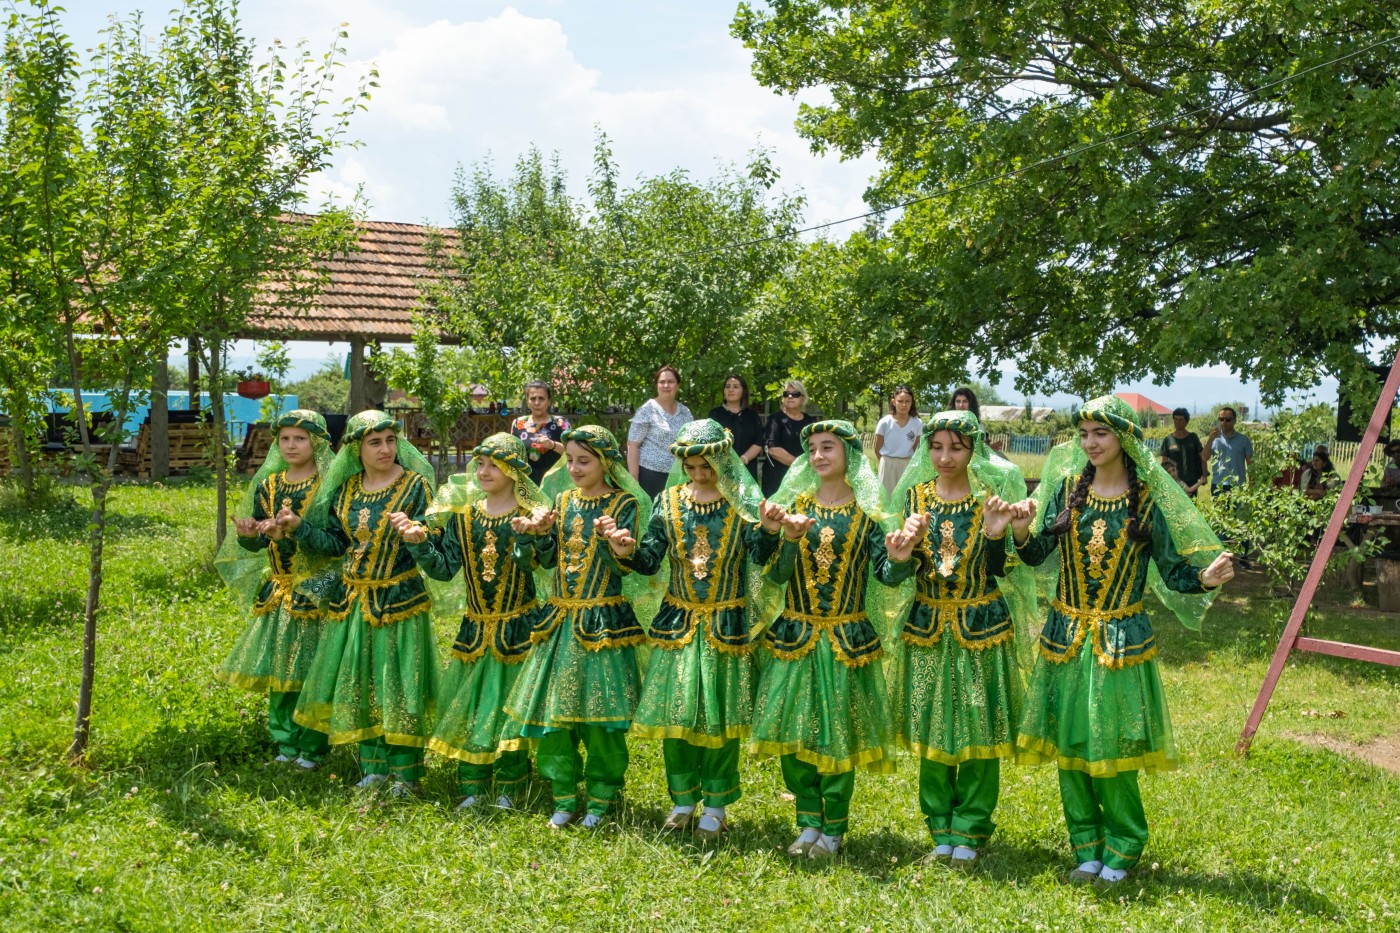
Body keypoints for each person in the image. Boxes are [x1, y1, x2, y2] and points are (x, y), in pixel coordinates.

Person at [1009, 396, 1235, 885]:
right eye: (1084, 434)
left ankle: (1123, 847)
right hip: (1064, 637)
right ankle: (1085, 847)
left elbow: (1174, 572)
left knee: (1112, 747)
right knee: (1070, 748)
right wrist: (1024, 533)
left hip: (1119, 641)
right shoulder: (1068, 489)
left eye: (1101, 434)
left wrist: (1206, 580)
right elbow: (1037, 554)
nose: (1090, 443)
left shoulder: (1149, 499)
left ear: (1125, 438)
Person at [748, 420, 924, 860]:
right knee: (792, 735)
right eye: (812, 448)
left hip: (846, 637)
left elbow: (886, 575)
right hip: (795, 633)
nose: (819, 455)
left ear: (849, 454)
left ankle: (835, 827)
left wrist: (901, 559)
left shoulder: (868, 512)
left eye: (828, 446)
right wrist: (783, 538)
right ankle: (808, 820)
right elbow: (773, 573)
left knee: (836, 737)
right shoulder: (793, 506)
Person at [599, 419, 781, 838]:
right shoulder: (668, 501)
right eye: (691, 467)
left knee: (717, 720)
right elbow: (649, 560)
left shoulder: (742, 501)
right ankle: (682, 799)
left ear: (722, 460)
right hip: (677, 623)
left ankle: (715, 805)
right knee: (676, 716)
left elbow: (760, 554)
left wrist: (770, 531)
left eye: (706, 467)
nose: (699, 475)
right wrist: (622, 549)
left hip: (726, 624)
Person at [889, 410, 1038, 866]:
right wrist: (900, 554)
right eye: (936, 447)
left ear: (975, 450)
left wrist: (995, 535)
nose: (945, 456)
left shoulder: (989, 499)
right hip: (928, 627)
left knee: (979, 728)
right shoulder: (913, 497)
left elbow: (999, 568)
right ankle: (940, 830)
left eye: (956, 447)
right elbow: (895, 572)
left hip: (981, 628)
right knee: (932, 728)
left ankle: (970, 829)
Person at [279, 410, 441, 797]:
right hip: (354, 602)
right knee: (364, 683)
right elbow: (338, 544)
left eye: (390, 440)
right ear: (355, 448)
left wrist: (419, 533)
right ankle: (373, 766)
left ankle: (406, 773)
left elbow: (435, 536)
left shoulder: (416, 485)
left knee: (400, 685)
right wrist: (300, 528)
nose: (386, 449)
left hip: (400, 601)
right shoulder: (347, 489)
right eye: (375, 442)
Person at [505, 425, 653, 829]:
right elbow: (547, 562)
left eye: (583, 461)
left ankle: (602, 798)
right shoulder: (563, 499)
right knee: (555, 717)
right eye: (569, 459)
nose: (573, 468)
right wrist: (534, 537)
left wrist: (614, 544)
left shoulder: (624, 504)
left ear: (605, 462)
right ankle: (564, 796)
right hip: (559, 622)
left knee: (601, 719)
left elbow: (622, 567)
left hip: (602, 623)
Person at [393, 433, 550, 811]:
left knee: (510, 710)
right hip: (475, 628)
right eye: (480, 464)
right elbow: (445, 570)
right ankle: (473, 785)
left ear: (515, 470)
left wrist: (529, 537)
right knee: (475, 708)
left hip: (518, 629)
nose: (484, 471)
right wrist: (418, 542)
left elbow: (539, 566)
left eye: (494, 465)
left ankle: (511, 786)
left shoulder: (531, 516)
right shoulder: (464, 517)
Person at [215, 410, 335, 770]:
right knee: (280, 670)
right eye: (284, 438)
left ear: (316, 442)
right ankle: (285, 743)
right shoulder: (268, 485)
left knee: (313, 671)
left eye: (300, 438)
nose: (291, 445)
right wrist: (249, 535)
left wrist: (297, 530)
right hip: (278, 592)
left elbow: (335, 543)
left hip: (319, 592)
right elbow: (256, 545)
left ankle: (313, 747)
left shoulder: (330, 485)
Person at [627, 365, 694, 500]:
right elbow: (632, 445)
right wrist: (634, 481)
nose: (666, 385)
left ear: (677, 385)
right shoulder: (648, 409)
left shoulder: (685, 412)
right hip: (650, 476)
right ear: (657, 385)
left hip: (678, 475)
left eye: (670, 382)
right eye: (662, 382)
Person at [761, 379, 816, 498]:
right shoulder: (775, 419)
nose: (790, 396)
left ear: (802, 398)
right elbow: (773, 450)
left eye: (795, 394)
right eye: (786, 394)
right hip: (777, 479)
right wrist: (800, 466)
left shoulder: (810, 422)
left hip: (804, 479)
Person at [510, 381, 571, 485]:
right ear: (527, 401)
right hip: (525, 484)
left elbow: (573, 453)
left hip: (555, 483)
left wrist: (553, 445)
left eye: (541, 398)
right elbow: (511, 453)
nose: (537, 402)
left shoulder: (561, 423)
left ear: (549, 401)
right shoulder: (518, 423)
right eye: (533, 398)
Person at [707, 374, 764, 481]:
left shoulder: (752, 415)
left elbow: (759, 442)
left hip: (747, 470)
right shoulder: (715, 414)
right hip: (721, 470)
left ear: (744, 392)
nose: (730, 390)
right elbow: (710, 442)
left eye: (735, 386)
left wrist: (742, 460)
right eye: (727, 386)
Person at [874, 386, 923, 498]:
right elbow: (877, 449)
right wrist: (886, 464)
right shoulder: (885, 422)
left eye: (907, 401)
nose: (904, 405)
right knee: (887, 499)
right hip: (887, 464)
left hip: (908, 465)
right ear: (894, 402)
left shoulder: (917, 423)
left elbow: (916, 449)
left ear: (912, 403)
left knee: (905, 498)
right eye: (900, 401)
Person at [1205, 406, 1253, 494]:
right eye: (1221, 419)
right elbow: (1205, 457)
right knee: (1219, 508)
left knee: (1239, 508)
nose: (1224, 422)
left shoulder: (1244, 440)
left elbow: (1250, 464)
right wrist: (1210, 439)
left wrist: (1252, 483)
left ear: (1234, 421)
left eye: (1227, 419)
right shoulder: (1214, 439)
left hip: (1238, 485)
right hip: (1218, 485)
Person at [1160, 408, 1204, 495]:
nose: (1177, 422)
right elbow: (1164, 462)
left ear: (1186, 421)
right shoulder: (1168, 440)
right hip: (1174, 481)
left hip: (1192, 479)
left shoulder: (1193, 438)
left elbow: (1202, 457)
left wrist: (1204, 475)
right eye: (1175, 419)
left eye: (1180, 420)